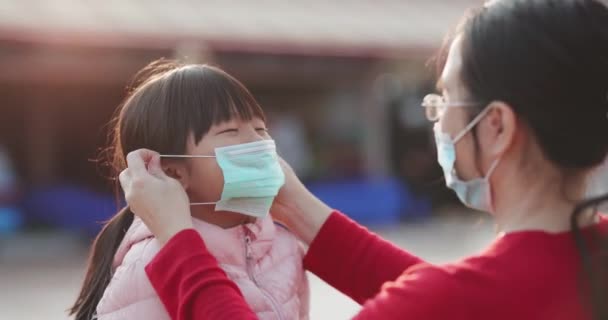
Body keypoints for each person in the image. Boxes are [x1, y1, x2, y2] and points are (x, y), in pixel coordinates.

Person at [119, 0, 608, 319]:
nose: (436, 119)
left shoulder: (447, 301)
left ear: (497, 126)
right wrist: (294, 205)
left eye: (447, 99)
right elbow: (455, 296)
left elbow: (444, 301)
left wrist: (178, 239)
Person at [69, 60, 310, 320]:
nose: (259, 142)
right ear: (173, 172)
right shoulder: (152, 264)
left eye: (261, 128)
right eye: (231, 131)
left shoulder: (284, 247)